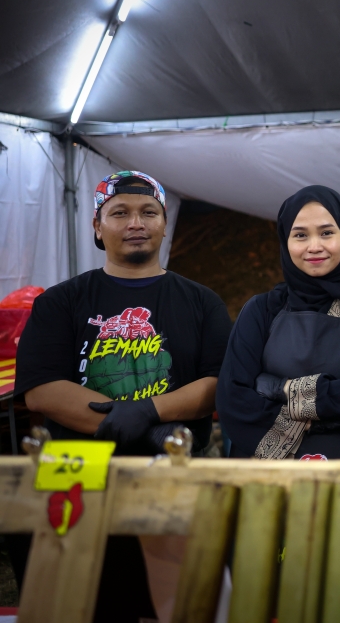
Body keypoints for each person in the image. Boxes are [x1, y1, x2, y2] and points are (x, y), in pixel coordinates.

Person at [12, 170, 232, 622]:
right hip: (77, 469)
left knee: (174, 599)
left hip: (171, 465)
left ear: (164, 223)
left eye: (148, 212)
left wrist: (149, 411)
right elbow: (41, 390)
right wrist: (119, 422)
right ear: (97, 226)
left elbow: (217, 382)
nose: (136, 222)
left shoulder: (203, 301)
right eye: (120, 213)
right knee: (79, 597)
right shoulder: (60, 301)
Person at [216, 186, 340, 460]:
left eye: (327, 233)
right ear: (285, 241)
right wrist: (331, 406)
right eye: (300, 235)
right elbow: (233, 399)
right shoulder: (261, 309)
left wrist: (280, 388)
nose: (315, 246)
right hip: (263, 474)